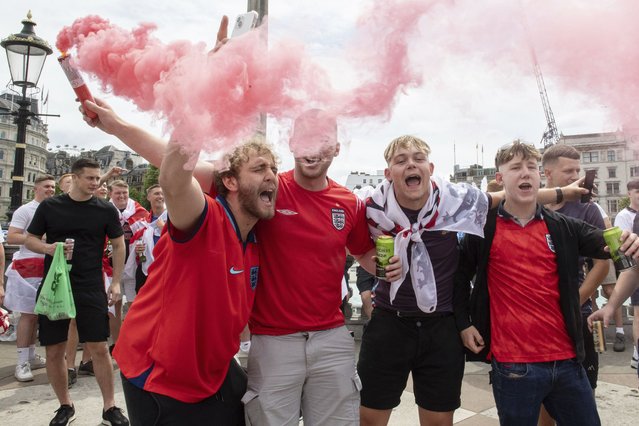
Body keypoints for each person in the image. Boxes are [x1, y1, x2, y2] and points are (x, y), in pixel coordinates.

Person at [454, 140, 639, 426]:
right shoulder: (484, 227)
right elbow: (459, 276)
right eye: (516, 167)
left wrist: (629, 240)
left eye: (531, 167)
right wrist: (464, 323)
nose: (525, 173)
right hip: (513, 363)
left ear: (540, 176)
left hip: (567, 360)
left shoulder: (562, 226)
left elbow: (605, 245)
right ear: (501, 178)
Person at [113, 137, 278, 424]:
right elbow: (174, 179)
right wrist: (196, 110)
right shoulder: (205, 216)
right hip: (160, 375)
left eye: (274, 169)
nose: (272, 176)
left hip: (213, 371)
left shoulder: (253, 239)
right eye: (260, 168)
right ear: (230, 181)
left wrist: (115, 124)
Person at [25, 158, 128, 426]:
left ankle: (110, 407)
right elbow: (30, 239)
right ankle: (64, 406)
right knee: (54, 349)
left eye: (98, 178)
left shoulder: (105, 209)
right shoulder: (50, 206)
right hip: (55, 285)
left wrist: (115, 282)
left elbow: (118, 245)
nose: (96, 183)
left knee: (99, 347)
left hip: (90, 284)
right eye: (90, 178)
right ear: (75, 177)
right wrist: (49, 248)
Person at [538, 144, 609, 425]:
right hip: (538, 317)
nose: (576, 176)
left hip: (575, 315)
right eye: (569, 171)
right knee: (543, 396)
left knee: (581, 393)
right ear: (548, 173)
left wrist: (573, 302)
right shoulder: (531, 206)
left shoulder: (586, 209)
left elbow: (602, 264)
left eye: (578, 170)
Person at [4, 175, 55, 382]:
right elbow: (12, 237)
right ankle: (21, 362)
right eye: (46, 187)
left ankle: (31, 355)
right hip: (28, 267)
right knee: (28, 315)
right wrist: (37, 239)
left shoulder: (55, 209)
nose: (51, 190)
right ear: (36, 189)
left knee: (37, 315)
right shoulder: (25, 210)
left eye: (53, 187)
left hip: (49, 266)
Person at [613, 178, 639, 369]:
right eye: (637, 191)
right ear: (629, 193)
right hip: (634, 268)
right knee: (638, 312)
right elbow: (622, 249)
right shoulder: (624, 216)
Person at [123, 184, 166, 295]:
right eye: (156, 193)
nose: (160, 196)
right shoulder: (142, 223)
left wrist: (164, 229)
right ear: (148, 197)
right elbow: (134, 244)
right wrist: (137, 250)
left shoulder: (174, 219)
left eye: (162, 193)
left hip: (166, 269)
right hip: (146, 270)